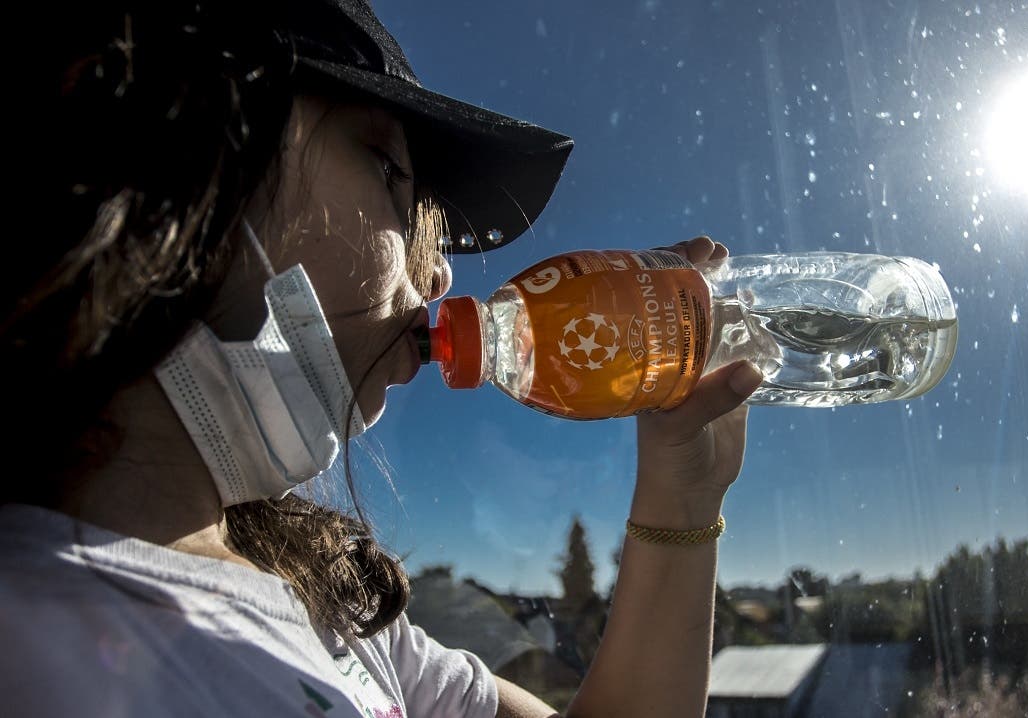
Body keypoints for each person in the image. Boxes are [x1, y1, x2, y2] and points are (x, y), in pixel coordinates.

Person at [2, 1, 764, 716]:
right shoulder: (31, 650)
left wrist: (682, 491)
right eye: (391, 172)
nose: (437, 279)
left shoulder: (330, 608)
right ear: (191, 143)